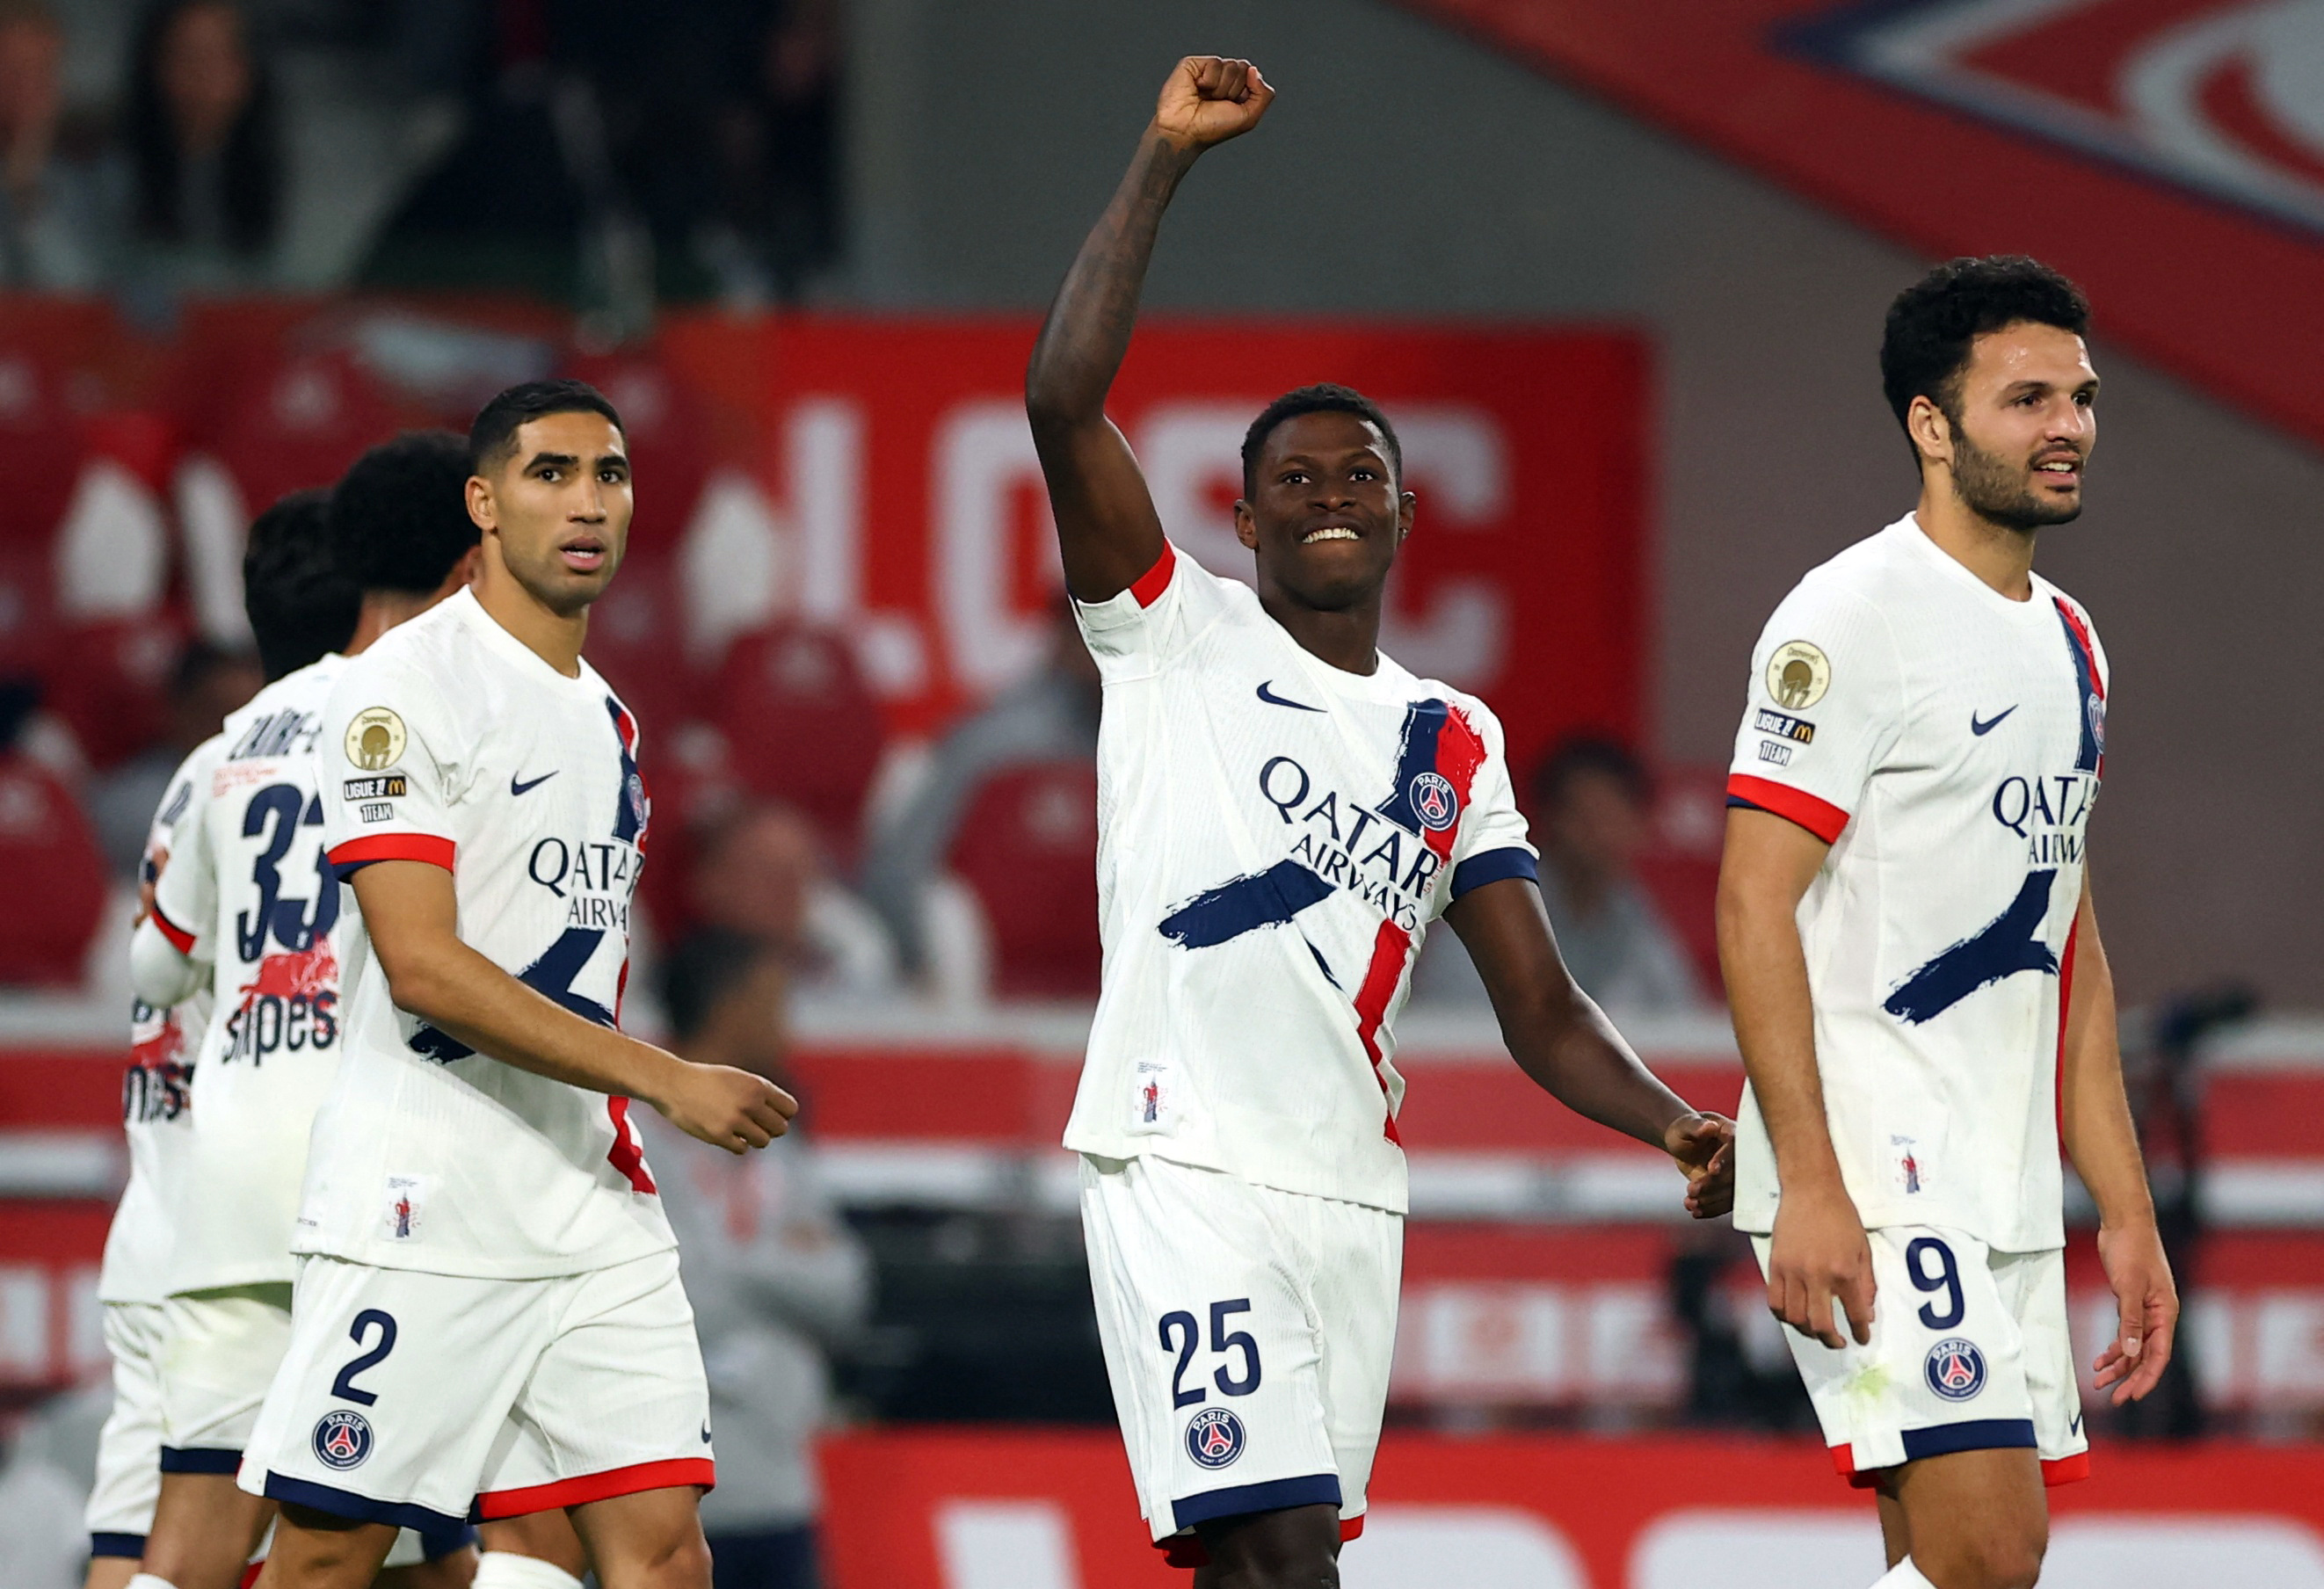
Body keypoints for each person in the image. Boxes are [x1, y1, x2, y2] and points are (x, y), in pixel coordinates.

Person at [1022, 58, 1734, 1585]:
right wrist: (1159, 158)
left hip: (1349, 1185)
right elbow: (1059, 397)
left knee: (1289, 1568)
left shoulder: (1447, 734)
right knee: (1269, 1554)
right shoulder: (1174, 632)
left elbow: (1537, 1005)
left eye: (1361, 473)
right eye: (1295, 477)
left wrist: (1672, 1118)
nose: (1329, 492)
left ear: (1406, 514)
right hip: (1184, 1160)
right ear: (1245, 513)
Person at [236, 379, 795, 1589]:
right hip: (423, 1203)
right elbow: (423, 964)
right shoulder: (399, 691)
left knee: (663, 1553)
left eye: (611, 474)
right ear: (484, 504)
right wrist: (667, 1081)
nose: (587, 502)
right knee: (333, 1555)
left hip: (590, 1206)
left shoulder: (611, 721)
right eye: (551, 474)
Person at [1716, 256, 2178, 1589]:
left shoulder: (2074, 642)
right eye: (2027, 398)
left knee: (1950, 1562)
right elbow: (1753, 899)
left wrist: (2124, 1211)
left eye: (2081, 398)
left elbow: (2065, 940)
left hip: (2002, 1178)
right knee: (1990, 1555)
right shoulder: (1848, 619)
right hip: (1871, 1160)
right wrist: (1807, 1177)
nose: (2069, 427)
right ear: (1932, 424)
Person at [126, 443, 482, 1589]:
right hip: (371, 1181)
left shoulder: (233, 741)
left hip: (230, 1178)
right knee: (433, 1548)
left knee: (188, 1543)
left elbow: (155, 962)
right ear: (468, 563)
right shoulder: (442, 723)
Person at [647, 929, 868, 1589]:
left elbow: (846, 1290)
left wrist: (724, 1261)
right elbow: (666, 1294)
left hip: (781, 1486)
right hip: (667, 1484)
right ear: (727, 1008)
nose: (785, 1025)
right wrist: (779, 1261)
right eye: (772, 1003)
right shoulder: (634, 1128)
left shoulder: (779, 1136)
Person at [860, 601, 1100, 975]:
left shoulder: (1180, 741)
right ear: (1067, 641)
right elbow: (899, 872)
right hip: (984, 994)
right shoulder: (997, 744)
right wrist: (933, 972)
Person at [1413, 737, 1706, 1012]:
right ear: (1549, 821)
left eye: (1613, 816)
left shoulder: (1630, 908)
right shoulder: (1495, 900)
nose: (1601, 835)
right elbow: (1451, 1029)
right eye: (1585, 817)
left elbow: (1681, 1019)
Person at [120, 0, 282, 294]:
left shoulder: (283, 178)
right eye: (188, 56)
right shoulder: (115, 176)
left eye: (217, 56)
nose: (202, 74)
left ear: (246, 70)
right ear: (157, 66)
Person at [687, 802, 895, 996]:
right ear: (712, 881)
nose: (789, 890)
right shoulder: (678, 978)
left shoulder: (851, 964)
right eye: (768, 873)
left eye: (800, 873)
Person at [0, 0, 105, 288]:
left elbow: (78, 292)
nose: (26, 89)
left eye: (42, 72)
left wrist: (25, 189)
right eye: (12, 71)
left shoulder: (88, 182)